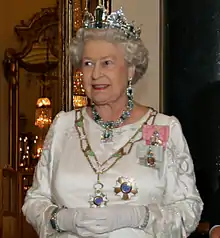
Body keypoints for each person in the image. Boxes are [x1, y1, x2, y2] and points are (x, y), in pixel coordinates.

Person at [22, 4, 203, 238]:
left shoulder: (163, 128)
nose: (96, 74)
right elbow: (35, 201)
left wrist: (140, 217)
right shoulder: (63, 126)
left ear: (130, 70)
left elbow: (188, 210)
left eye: (107, 63)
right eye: (88, 63)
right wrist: (60, 220)